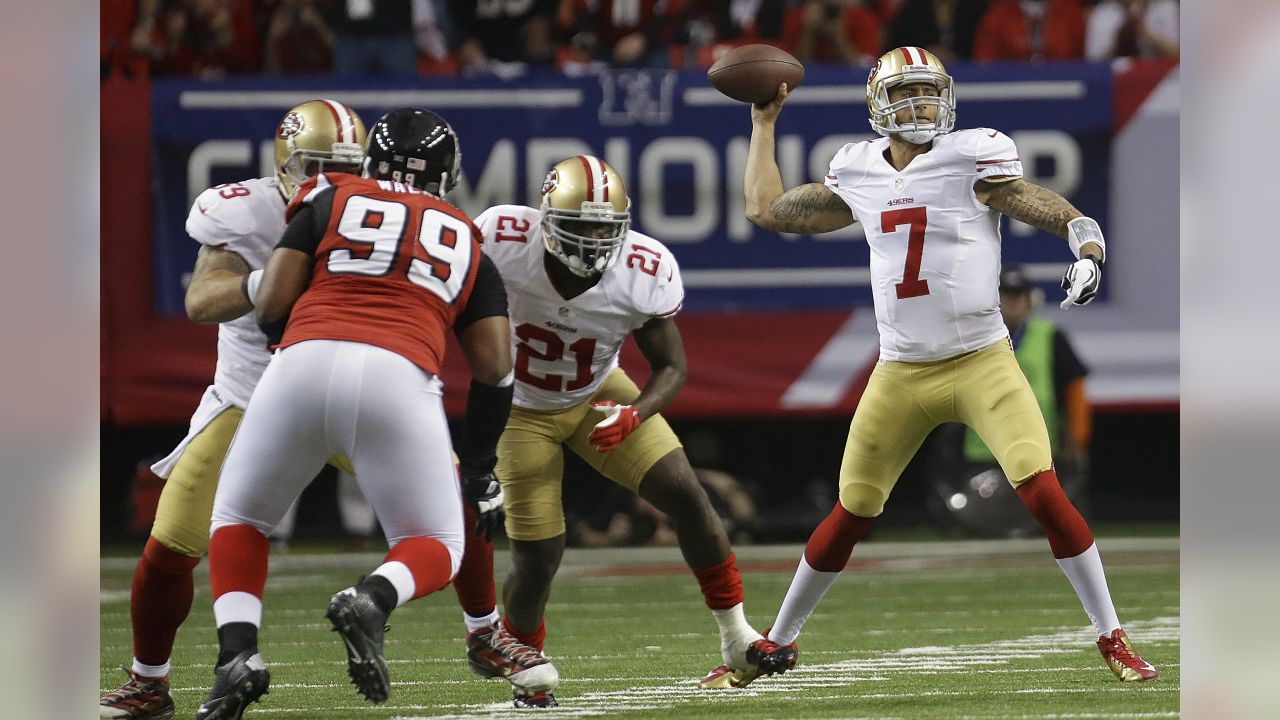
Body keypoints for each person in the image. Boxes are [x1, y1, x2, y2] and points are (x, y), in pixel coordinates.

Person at [705, 46, 1158, 687]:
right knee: (852, 510)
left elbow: (1042, 203)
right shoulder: (856, 168)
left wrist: (1087, 242)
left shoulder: (972, 155)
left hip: (982, 362)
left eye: (928, 92)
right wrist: (762, 124)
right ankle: (775, 644)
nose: (919, 105)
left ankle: (1113, 636)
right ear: (877, 107)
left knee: (1042, 490)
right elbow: (766, 210)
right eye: (905, 95)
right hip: (901, 371)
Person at [192, 108, 538, 718]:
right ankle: (374, 597)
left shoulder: (328, 198)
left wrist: (293, 341)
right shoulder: (465, 236)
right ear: (447, 173)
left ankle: (237, 656)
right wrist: (481, 465)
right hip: (399, 375)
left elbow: (273, 299)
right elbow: (494, 369)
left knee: (240, 516)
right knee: (435, 542)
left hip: (300, 359)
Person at [470, 155, 797, 707]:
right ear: (545, 220)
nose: (594, 241)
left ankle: (737, 635)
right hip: (521, 407)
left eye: (606, 228)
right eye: (580, 226)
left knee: (686, 495)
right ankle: (525, 661)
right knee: (539, 556)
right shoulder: (500, 239)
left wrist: (636, 412)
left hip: (599, 391)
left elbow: (672, 368)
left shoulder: (643, 268)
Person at [99, 98, 367, 720]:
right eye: (319, 167)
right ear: (286, 165)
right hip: (252, 399)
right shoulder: (246, 211)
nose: (333, 183)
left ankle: (490, 631)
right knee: (168, 547)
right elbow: (200, 300)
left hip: (348, 394)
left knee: (462, 501)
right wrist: (263, 283)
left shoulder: (382, 215)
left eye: (347, 169)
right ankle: (148, 682)